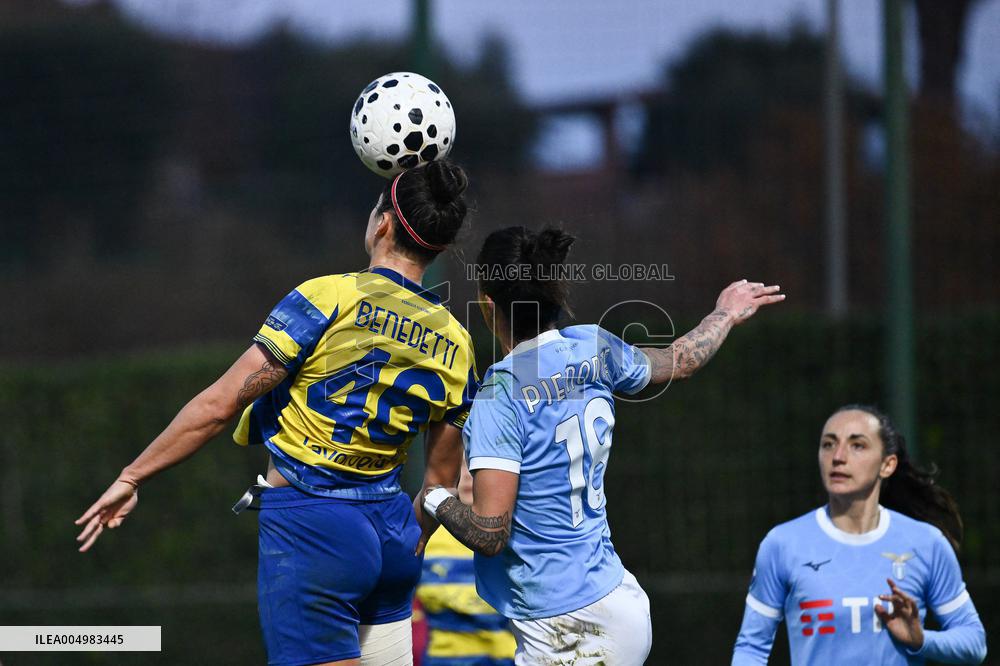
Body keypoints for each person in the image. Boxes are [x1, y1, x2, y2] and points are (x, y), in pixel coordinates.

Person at [76, 159, 480, 666]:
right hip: (394, 537)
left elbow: (219, 405)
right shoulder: (456, 341)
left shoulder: (328, 297)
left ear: (383, 223)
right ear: (439, 245)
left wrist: (133, 476)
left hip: (314, 527)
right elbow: (440, 484)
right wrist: (403, 543)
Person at [419, 225, 785, 665]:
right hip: (617, 601)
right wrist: (724, 313)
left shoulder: (501, 393)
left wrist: (434, 496)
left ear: (487, 304)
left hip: (566, 629)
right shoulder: (592, 347)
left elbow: (489, 532)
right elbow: (680, 360)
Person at [732, 405, 988, 665]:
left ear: (887, 465)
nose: (838, 456)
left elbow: (974, 642)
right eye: (828, 444)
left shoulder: (926, 543)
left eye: (857, 445)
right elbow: (751, 649)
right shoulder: (783, 544)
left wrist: (921, 640)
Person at [414, 463, 516, 666]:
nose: (469, 475)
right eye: (462, 465)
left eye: (477, 464)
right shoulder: (426, 536)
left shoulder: (518, 538)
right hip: (443, 661)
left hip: (508, 659)